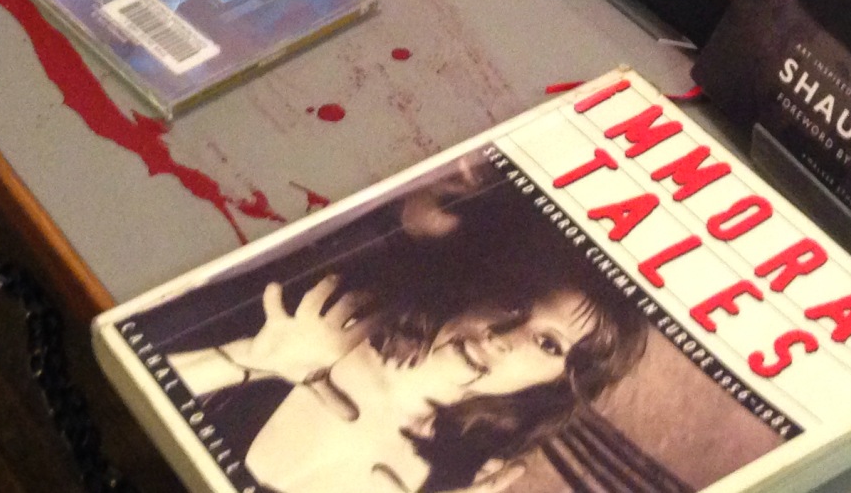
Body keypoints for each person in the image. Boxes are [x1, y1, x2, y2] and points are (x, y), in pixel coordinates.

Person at [162, 160, 647, 493]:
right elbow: (129, 373)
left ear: (557, 383)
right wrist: (248, 359)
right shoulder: (329, 311)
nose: (502, 339)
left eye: (548, 344)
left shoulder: (456, 478)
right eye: (515, 302)